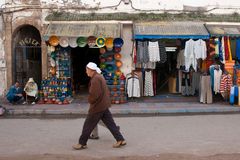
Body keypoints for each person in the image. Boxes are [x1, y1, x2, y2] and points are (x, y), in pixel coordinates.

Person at [72, 62, 126, 150]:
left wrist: (90, 100)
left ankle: (82, 143)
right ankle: (120, 139)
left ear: (91, 70)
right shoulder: (98, 77)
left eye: (87, 70)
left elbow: (94, 95)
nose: (86, 72)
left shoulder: (95, 79)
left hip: (98, 106)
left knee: (88, 125)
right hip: (104, 105)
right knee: (110, 124)